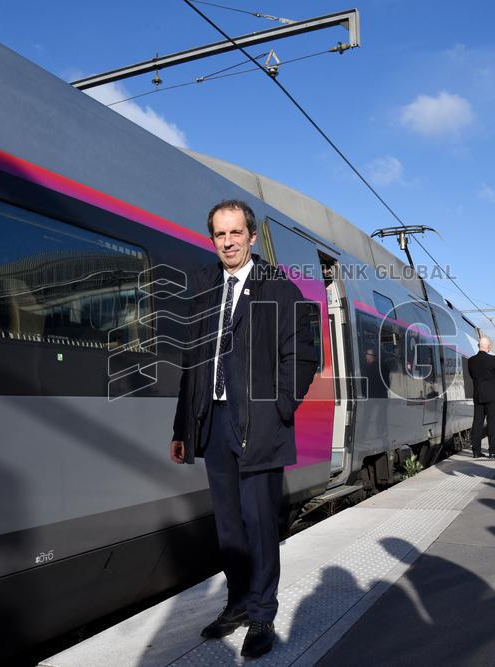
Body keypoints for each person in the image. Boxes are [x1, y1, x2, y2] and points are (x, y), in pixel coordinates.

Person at [170, 199, 318, 658]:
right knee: (230, 528)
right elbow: (192, 363)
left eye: (236, 233)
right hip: (213, 424)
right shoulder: (205, 286)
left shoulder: (278, 287)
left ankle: (261, 616)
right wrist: (182, 427)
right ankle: (236, 605)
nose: (228, 242)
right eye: (220, 234)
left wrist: (280, 407)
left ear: (252, 237)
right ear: (212, 239)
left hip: (258, 424)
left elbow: (304, 353)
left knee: (258, 526)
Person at [468, 336, 495, 458]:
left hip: (478, 395)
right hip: (491, 395)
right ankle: (492, 450)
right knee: (492, 422)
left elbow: (472, 376)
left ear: (478, 346)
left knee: (477, 422)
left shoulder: (471, 360)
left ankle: (476, 451)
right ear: (488, 346)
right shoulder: (493, 359)